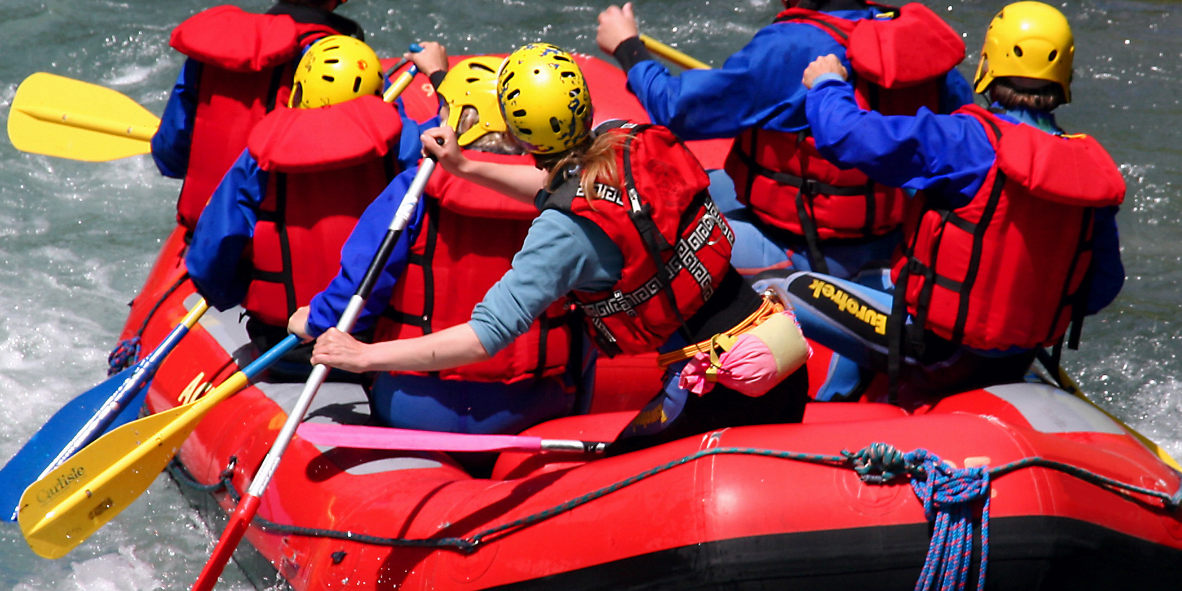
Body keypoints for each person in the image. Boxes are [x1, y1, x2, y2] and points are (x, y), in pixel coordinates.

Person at [310, 43, 809, 450]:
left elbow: (485, 336)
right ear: (586, 107)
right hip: (780, 348)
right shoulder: (626, 141)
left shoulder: (562, 232)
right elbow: (570, 192)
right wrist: (466, 167)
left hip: (720, 380)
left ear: (522, 139)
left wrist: (364, 356)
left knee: (624, 467)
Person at [594, 0, 970, 286]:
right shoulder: (906, 40)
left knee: (646, 227)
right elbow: (966, 118)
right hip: (890, 233)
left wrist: (628, 48)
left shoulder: (788, 48)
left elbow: (674, 109)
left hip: (808, 250)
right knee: (705, 182)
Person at [781, 1, 1126, 406]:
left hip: (936, 354)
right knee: (882, 278)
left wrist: (827, 85)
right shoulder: (1083, 170)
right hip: (1015, 361)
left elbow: (848, 137)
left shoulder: (967, 140)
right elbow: (1101, 288)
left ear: (987, 64)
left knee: (785, 289)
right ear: (1063, 78)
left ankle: (810, 414)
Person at [284, 56, 587, 435]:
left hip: (414, 403)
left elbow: (361, 289)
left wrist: (314, 321)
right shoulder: (562, 194)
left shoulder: (413, 191)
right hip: (531, 406)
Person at [151, 0, 430, 229]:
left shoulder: (214, 53)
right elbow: (398, 163)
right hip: (288, 243)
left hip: (207, 234)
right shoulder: (340, 66)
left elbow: (169, 155)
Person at [186, 35, 421, 353]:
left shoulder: (262, 156)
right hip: (376, 342)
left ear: (299, 93)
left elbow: (212, 253)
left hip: (281, 342)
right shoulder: (408, 144)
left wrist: (234, 293)